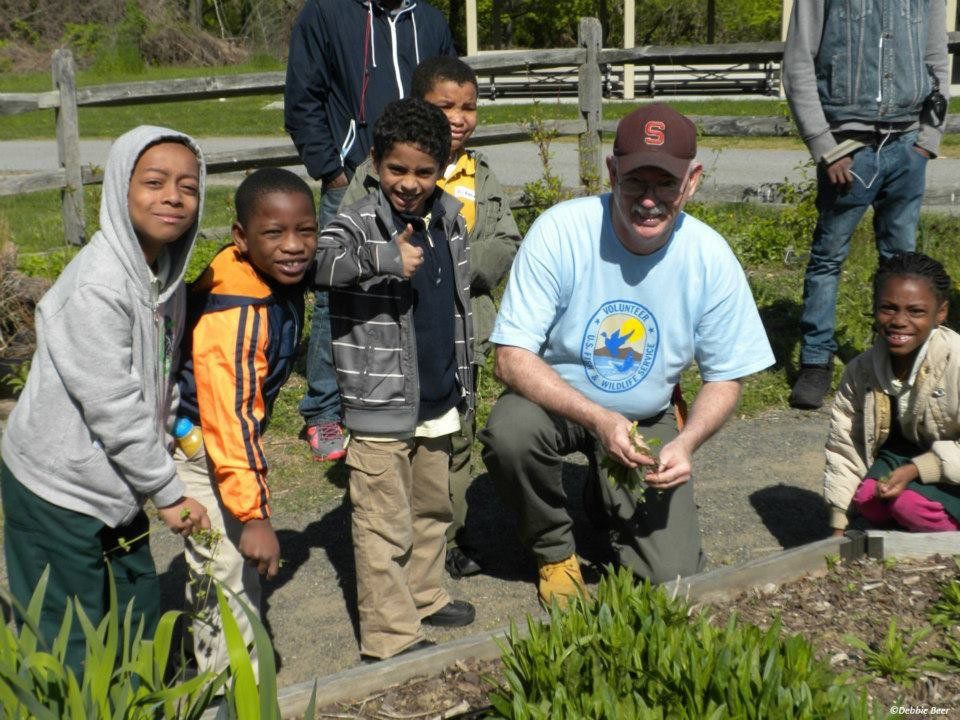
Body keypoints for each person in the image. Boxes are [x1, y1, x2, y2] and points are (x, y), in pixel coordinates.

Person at [478, 103, 775, 607]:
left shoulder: (709, 255)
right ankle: (554, 550)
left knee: (675, 580)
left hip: (647, 415)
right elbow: (510, 357)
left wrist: (687, 442)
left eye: (666, 184)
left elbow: (727, 377)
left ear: (693, 181)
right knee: (511, 432)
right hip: (557, 402)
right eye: (636, 181)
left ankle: (605, 495)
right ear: (613, 172)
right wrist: (599, 419)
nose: (650, 200)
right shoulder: (560, 231)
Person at [0, 126, 211, 675]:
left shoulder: (165, 274)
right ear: (120, 187)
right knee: (67, 626)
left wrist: (175, 432)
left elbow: (159, 370)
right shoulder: (96, 285)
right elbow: (111, 403)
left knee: (136, 600)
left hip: (117, 475)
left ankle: (134, 699)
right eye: (154, 182)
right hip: (57, 482)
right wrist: (165, 489)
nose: (173, 196)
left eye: (187, 186)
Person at [341, 55, 521, 579]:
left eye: (470, 106)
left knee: (455, 439)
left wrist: (457, 269)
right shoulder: (375, 176)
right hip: (394, 336)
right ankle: (395, 548)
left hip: (463, 330)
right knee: (397, 447)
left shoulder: (479, 175)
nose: (460, 117)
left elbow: (506, 240)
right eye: (446, 105)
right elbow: (349, 240)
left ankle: (448, 537)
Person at [314, 97, 476, 662]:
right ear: (377, 163)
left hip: (436, 392)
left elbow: (456, 306)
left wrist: (463, 381)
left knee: (432, 509)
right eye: (396, 169)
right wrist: (383, 258)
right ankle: (389, 637)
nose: (409, 183)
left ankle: (424, 595)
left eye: (424, 171)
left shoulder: (451, 220)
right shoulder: (356, 220)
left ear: (442, 169)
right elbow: (319, 264)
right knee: (383, 523)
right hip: (379, 399)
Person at [285, 0, 456, 461]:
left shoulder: (429, 19)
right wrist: (332, 169)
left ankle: (416, 392)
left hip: (416, 175)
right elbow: (302, 96)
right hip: (357, 172)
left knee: (418, 278)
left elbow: (448, 86)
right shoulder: (326, 12)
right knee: (333, 291)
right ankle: (324, 409)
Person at [174, 168, 318, 674]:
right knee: (227, 570)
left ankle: (220, 671)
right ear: (241, 237)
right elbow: (229, 419)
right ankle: (229, 690)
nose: (294, 246)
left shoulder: (263, 275)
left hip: (219, 442)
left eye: (306, 230)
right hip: (200, 444)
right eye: (273, 233)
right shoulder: (236, 312)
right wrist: (254, 515)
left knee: (230, 566)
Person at [782, 0, 950, 410]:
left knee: (901, 260)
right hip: (848, 146)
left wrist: (929, 139)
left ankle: (896, 360)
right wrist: (825, 146)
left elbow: (935, 60)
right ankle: (816, 362)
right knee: (827, 257)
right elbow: (798, 62)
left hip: (908, 142)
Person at [824, 251, 960, 536]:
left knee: (907, 506)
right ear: (874, 309)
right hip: (904, 456)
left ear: (941, 313)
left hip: (951, 466)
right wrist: (837, 529)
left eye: (916, 311)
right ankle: (903, 529)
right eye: (888, 308)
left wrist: (917, 469)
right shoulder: (861, 371)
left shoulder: (956, 362)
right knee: (867, 500)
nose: (899, 321)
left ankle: (946, 542)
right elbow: (844, 446)